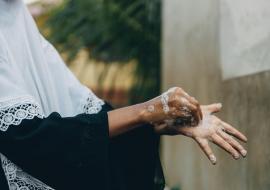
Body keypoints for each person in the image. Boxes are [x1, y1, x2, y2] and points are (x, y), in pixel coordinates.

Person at [0, 0, 247, 190]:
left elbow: (84, 118)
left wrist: (157, 121)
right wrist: (145, 111)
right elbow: (30, 137)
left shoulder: (19, 21)